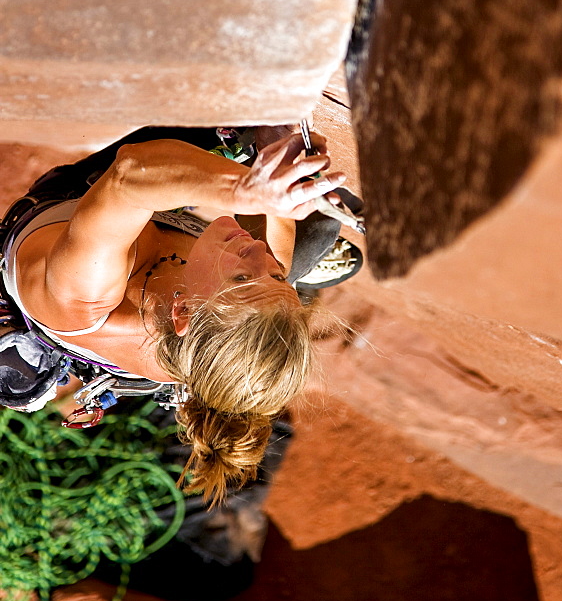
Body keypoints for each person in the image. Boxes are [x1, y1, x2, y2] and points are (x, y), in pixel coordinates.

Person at [0, 126, 346, 505]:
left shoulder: (85, 293)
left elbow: (130, 171)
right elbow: (270, 259)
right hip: (191, 256)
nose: (262, 255)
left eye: (244, 276)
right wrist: (276, 169)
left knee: (227, 135)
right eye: (275, 278)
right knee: (315, 226)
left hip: (85, 195)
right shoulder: (228, 322)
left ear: (183, 311)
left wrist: (244, 188)